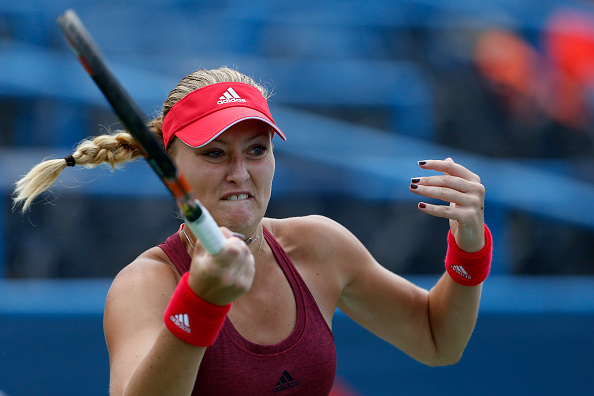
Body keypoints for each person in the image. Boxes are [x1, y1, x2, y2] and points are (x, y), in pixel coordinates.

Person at [13, 66, 492, 396]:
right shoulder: (145, 286)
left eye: (257, 150)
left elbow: (436, 340)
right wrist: (200, 302)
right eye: (215, 153)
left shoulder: (320, 245)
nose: (240, 172)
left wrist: (469, 250)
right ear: (170, 167)